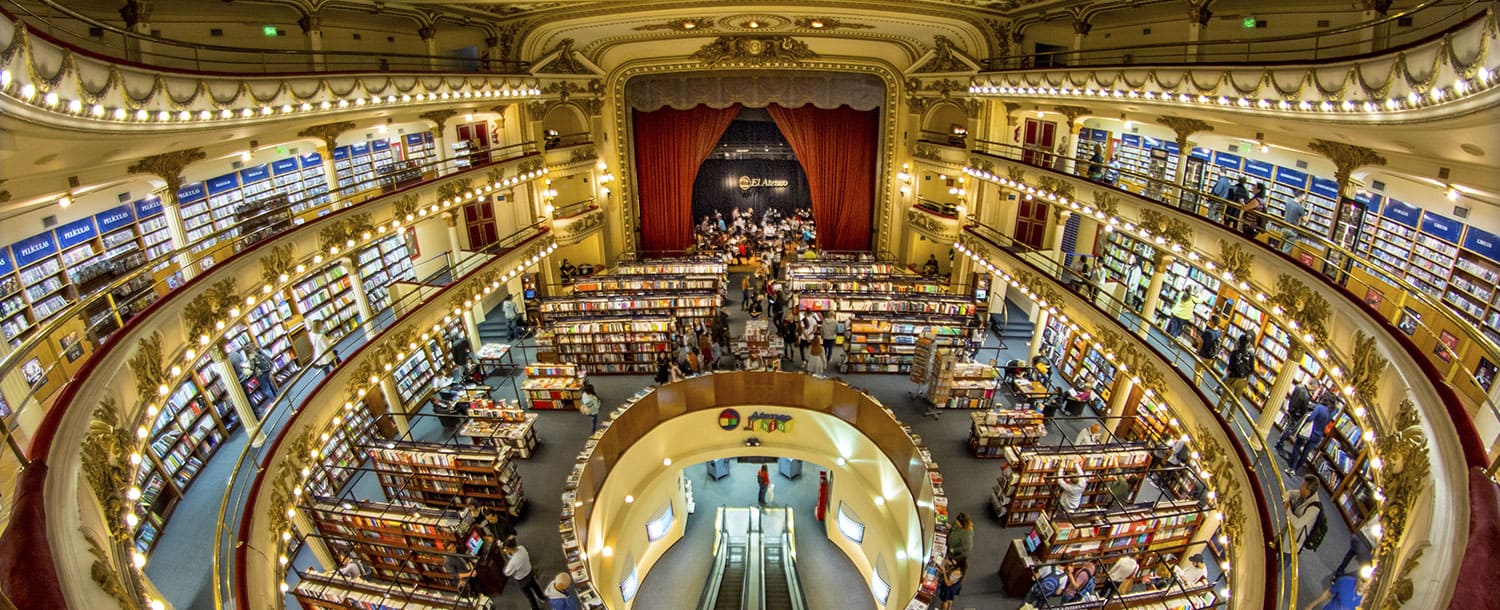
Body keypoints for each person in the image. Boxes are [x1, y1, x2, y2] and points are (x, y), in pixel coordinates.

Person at [1280, 474, 1322, 554]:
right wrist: (1286, 499)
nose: (1300, 487)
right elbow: (1290, 492)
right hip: (1286, 532)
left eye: (1303, 485)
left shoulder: (1314, 509)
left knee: (1280, 563)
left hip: (1293, 542)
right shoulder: (1303, 494)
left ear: (1308, 490)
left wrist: (1287, 509)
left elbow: (1297, 524)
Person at [1288, 399, 1333, 473]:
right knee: (1305, 453)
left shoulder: (1319, 407)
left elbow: (1310, 418)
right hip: (1318, 436)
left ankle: (1291, 466)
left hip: (1309, 432)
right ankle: (1296, 469)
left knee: (1297, 446)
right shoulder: (1330, 414)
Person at [503, 538, 547, 610]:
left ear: (508, 549)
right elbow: (516, 556)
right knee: (535, 586)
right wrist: (509, 553)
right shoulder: (522, 548)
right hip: (530, 572)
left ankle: (535, 608)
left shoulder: (513, 562)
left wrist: (507, 554)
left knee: (530, 596)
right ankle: (542, 597)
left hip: (522, 580)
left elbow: (507, 573)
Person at [1275, 378, 1314, 456]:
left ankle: (1280, 442)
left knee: (1288, 427)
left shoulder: (1299, 386)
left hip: (1291, 409)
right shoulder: (1305, 395)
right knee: (1289, 429)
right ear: (1312, 386)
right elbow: (1304, 408)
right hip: (1296, 414)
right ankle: (1280, 443)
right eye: (1314, 388)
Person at [1223, 333, 1256, 407]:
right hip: (1243, 379)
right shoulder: (1251, 354)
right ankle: (1230, 418)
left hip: (1233, 376)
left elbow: (1230, 366)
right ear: (1249, 343)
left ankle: (1218, 411)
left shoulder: (1235, 352)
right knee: (1236, 400)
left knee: (1225, 396)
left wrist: (1229, 374)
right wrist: (1247, 378)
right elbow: (1252, 369)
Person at [1194, 314, 1223, 385]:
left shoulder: (1208, 332)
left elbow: (1200, 342)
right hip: (1211, 357)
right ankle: (1199, 385)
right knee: (1202, 371)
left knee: (1197, 371)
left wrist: (1197, 352)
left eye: (1210, 320)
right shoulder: (1219, 332)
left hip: (1203, 355)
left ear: (1212, 322)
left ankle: (1194, 386)